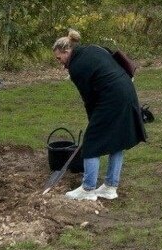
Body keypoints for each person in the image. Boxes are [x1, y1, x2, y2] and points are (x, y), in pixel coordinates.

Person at [53, 30, 147, 201]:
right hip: (127, 92)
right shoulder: (92, 49)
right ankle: (110, 187)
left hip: (112, 98)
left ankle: (88, 189)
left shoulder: (76, 67)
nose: (61, 64)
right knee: (118, 139)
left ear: (66, 51)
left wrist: (93, 122)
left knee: (91, 141)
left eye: (59, 58)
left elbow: (88, 98)